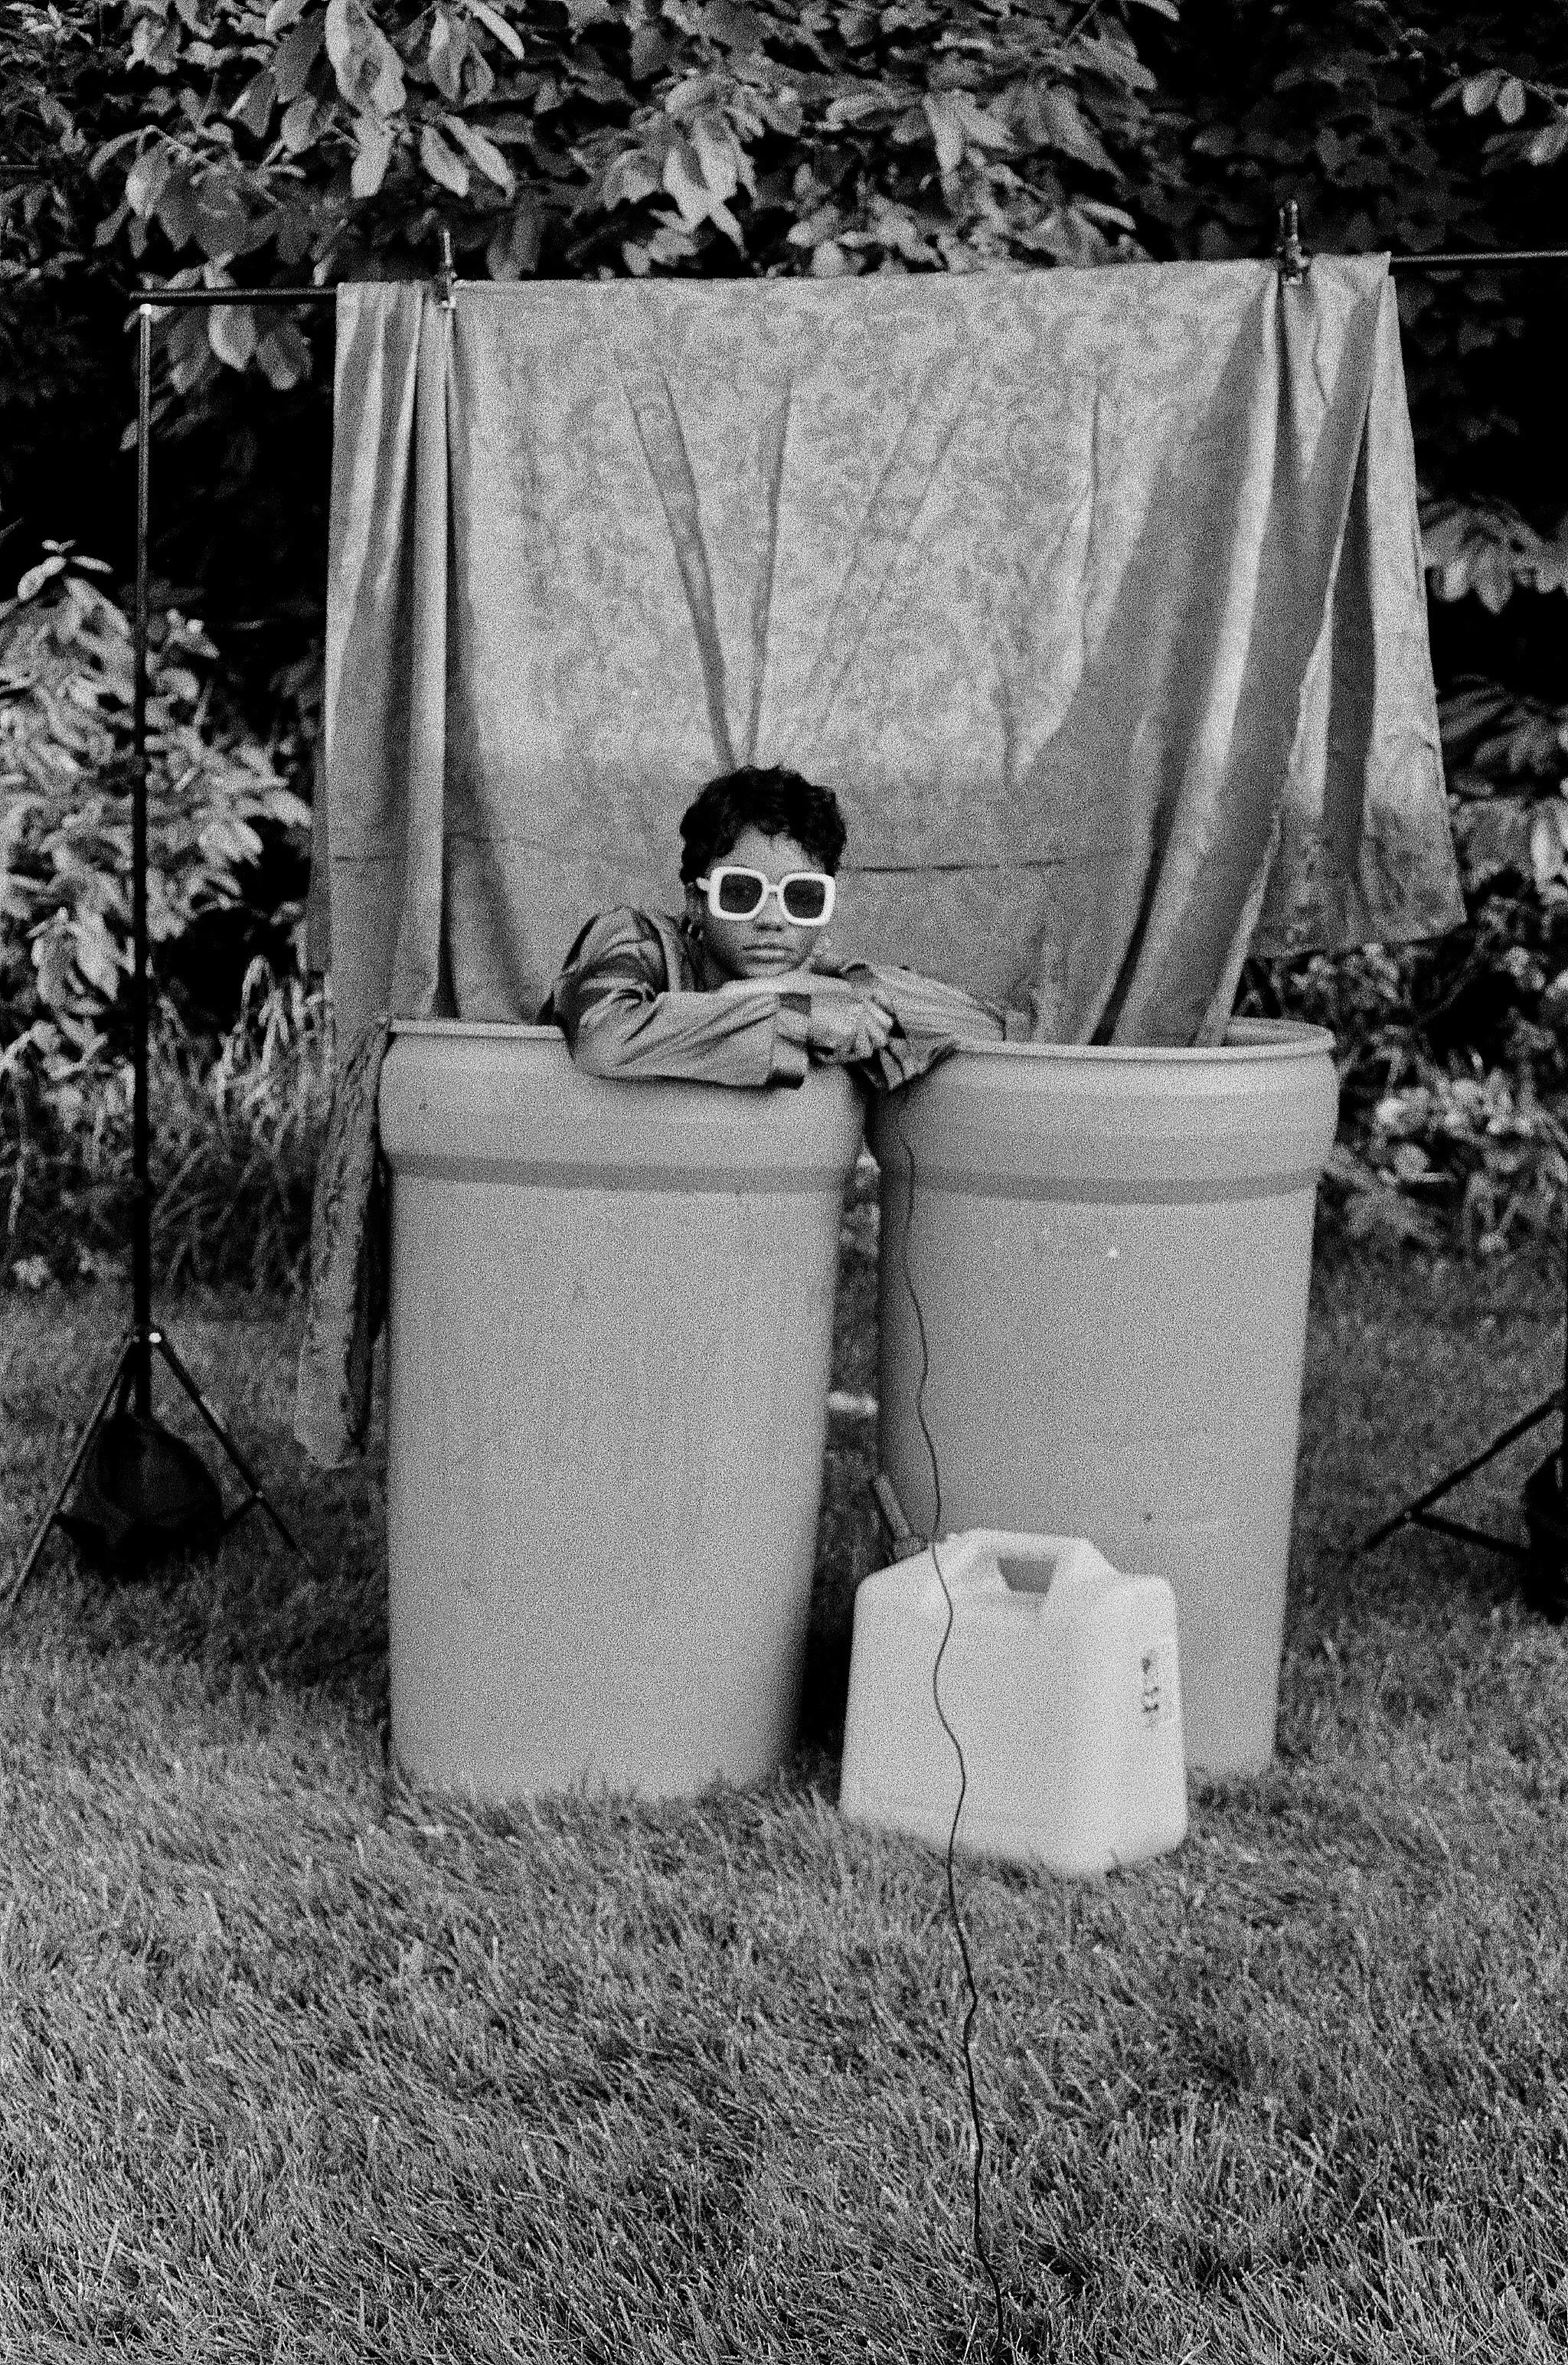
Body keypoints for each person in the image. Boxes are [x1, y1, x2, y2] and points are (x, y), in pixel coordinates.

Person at [541, 766, 1020, 1090]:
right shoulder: (633, 938)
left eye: (802, 897)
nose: (772, 920)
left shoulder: (826, 986)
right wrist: (792, 1012)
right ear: (696, 901)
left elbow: (985, 1031)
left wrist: (800, 990)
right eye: (741, 892)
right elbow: (603, 1038)